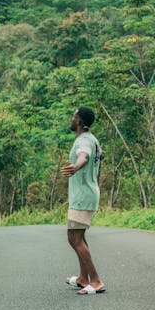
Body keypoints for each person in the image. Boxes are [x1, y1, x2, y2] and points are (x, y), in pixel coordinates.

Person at [61, 107, 105, 295]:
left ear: (78, 121)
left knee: (74, 238)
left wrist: (76, 168)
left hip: (83, 196)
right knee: (79, 237)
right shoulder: (91, 139)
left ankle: (95, 281)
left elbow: (84, 157)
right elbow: (100, 154)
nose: (71, 119)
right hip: (87, 193)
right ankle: (82, 278)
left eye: (73, 117)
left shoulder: (84, 141)